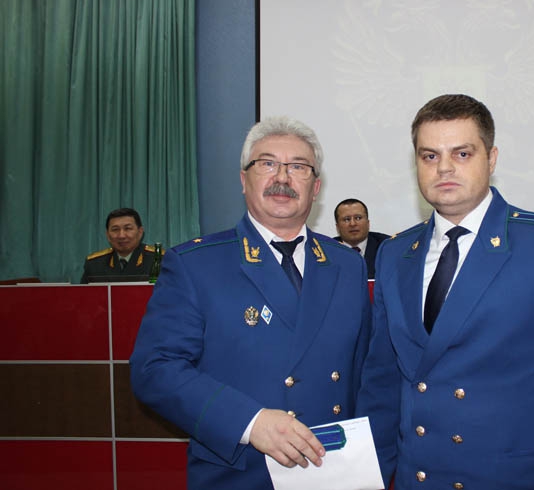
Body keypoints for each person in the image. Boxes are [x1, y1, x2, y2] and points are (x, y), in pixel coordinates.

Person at [357, 94, 534, 489]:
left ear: (491, 159)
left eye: (462, 153)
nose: (444, 167)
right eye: (429, 156)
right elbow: (382, 384)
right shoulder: (395, 254)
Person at [130, 117, 372, 490]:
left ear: (315, 187)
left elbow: (364, 371)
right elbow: (155, 369)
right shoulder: (196, 264)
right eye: (268, 163)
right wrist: (250, 422)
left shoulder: (347, 264)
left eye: (298, 167)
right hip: (241, 472)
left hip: (331, 469)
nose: (282, 177)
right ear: (244, 180)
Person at [80, 207, 156, 283]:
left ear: (140, 232)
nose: (121, 236)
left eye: (128, 228)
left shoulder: (158, 260)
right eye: (115, 229)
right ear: (108, 235)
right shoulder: (95, 264)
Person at [333, 198, 390, 279]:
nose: (352, 224)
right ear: (337, 227)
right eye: (346, 219)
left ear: (368, 223)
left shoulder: (386, 247)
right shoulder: (327, 250)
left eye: (358, 218)